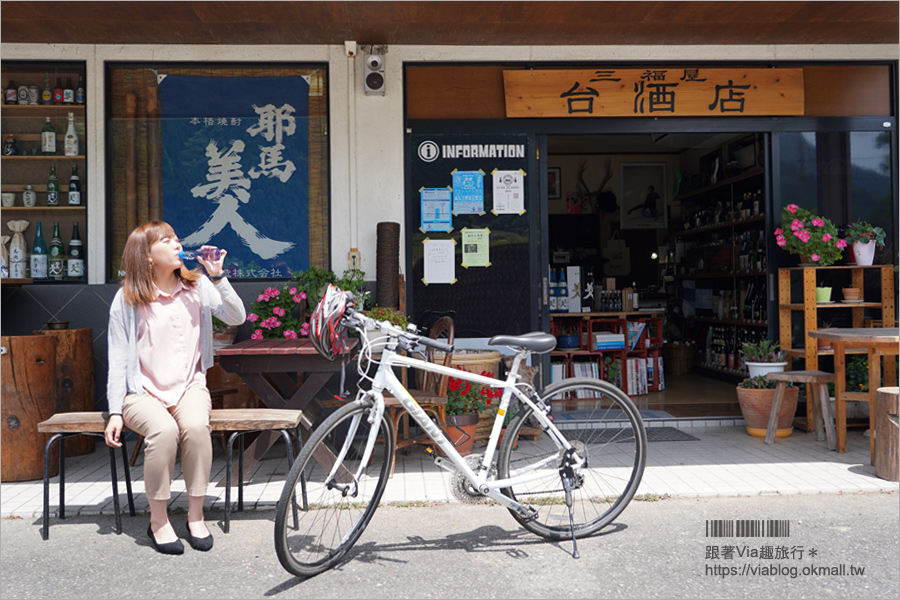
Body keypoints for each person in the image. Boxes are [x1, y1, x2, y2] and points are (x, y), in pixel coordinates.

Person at [104, 222, 246, 554]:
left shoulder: (196, 286)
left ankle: (196, 516)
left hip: (189, 385)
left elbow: (236, 316)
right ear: (148, 256)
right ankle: (159, 521)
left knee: (197, 428)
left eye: (176, 238)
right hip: (141, 392)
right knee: (164, 431)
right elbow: (117, 358)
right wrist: (114, 411)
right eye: (166, 240)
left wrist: (218, 276)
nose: (176, 243)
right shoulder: (127, 299)